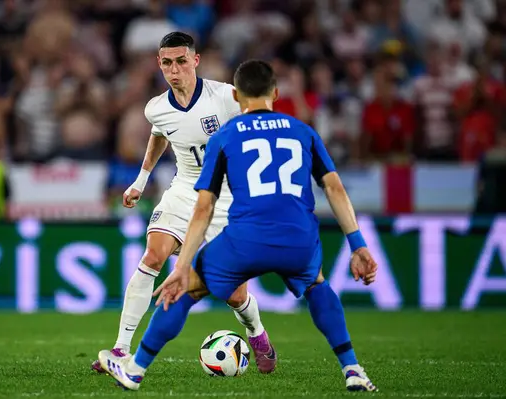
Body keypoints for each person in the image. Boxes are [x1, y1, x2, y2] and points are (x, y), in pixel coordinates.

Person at [98, 59, 379, 392]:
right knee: (318, 286)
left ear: (238, 97)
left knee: (186, 290)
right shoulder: (303, 131)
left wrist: (184, 265)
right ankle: (352, 368)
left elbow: (205, 206)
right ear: (275, 93)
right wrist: (358, 245)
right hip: (299, 236)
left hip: (246, 234)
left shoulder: (226, 135)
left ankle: (134, 370)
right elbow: (333, 188)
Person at [92, 32, 276, 374]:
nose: (174, 70)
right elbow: (160, 134)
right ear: (159, 65)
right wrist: (140, 181)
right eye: (166, 63)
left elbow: (263, 116)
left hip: (227, 197)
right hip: (184, 190)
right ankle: (120, 349)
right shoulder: (156, 108)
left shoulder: (225, 97)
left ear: (195, 60)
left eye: (180, 61)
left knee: (233, 294)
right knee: (152, 256)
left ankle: (256, 331)